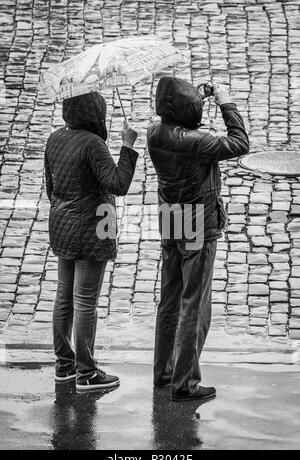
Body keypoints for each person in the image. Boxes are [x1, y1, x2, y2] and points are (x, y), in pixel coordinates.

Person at [147, 77, 249, 401]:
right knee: (195, 304)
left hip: (170, 217)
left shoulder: (154, 133)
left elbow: (181, 121)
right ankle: (186, 382)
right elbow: (239, 143)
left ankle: (164, 373)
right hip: (196, 222)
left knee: (169, 300)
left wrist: (201, 99)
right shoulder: (197, 142)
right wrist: (226, 102)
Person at [44, 91, 138, 391]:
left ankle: (64, 365)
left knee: (64, 298)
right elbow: (119, 184)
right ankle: (86, 372)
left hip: (62, 226)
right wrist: (127, 146)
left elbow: (51, 186)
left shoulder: (55, 138)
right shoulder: (93, 144)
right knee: (85, 302)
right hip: (92, 230)